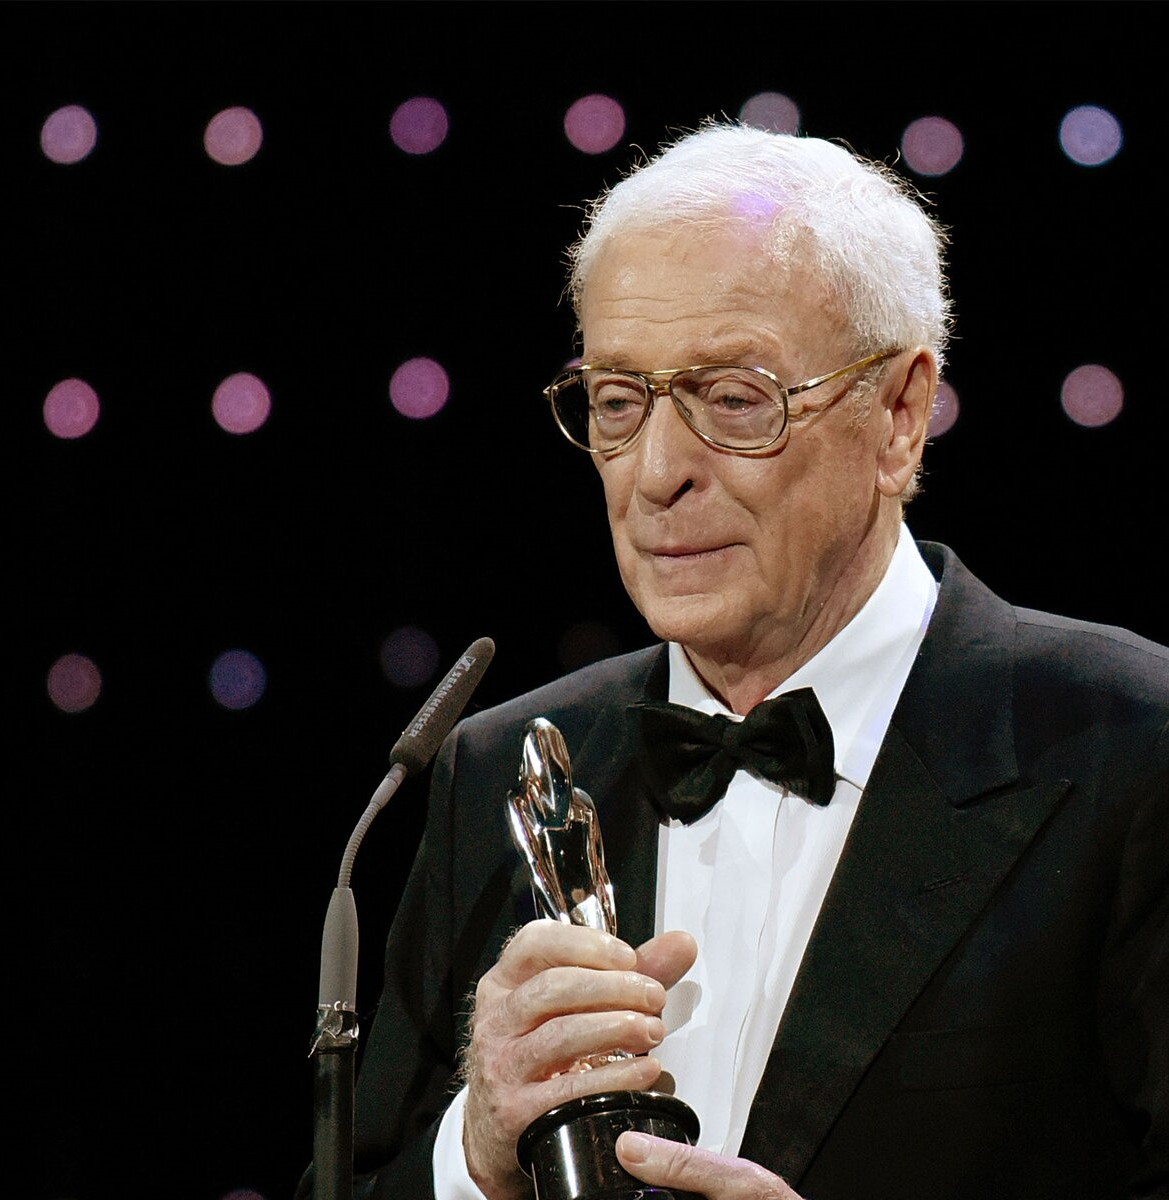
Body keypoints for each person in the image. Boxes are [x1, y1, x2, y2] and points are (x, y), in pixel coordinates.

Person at [326, 124, 1169, 1199]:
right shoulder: (494, 769)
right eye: (619, 402)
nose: (656, 473)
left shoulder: (1129, 745)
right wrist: (478, 1151)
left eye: (733, 399)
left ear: (900, 416)